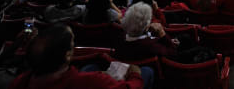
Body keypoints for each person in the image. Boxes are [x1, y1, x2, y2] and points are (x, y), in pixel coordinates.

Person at [9, 24, 152, 89]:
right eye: (72, 43)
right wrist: (135, 74)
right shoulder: (92, 82)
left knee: (91, 66)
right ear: (67, 55)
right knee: (147, 71)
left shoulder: (20, 81)